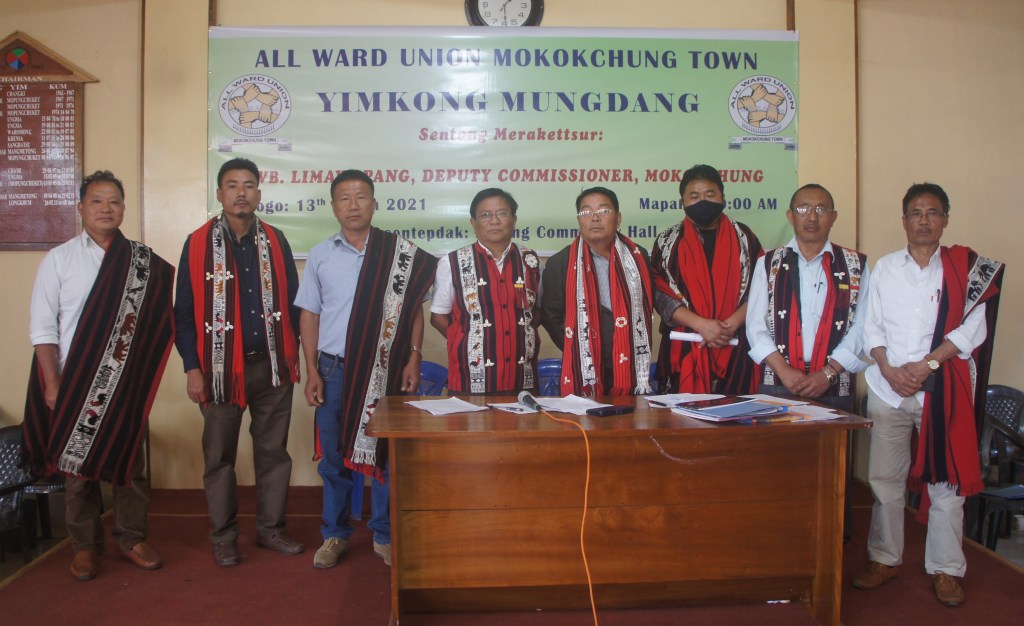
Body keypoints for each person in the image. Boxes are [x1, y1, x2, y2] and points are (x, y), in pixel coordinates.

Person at [852, 183, 1003, 607]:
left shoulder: (964, 269)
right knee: (884, 481)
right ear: (904, 221)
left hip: (943, 392)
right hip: (888, 390)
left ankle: (946, 569)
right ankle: (884, 559)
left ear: (945, 220)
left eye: (932, 212)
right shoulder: (885, 268)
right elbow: (870, 327)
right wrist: (887, 368)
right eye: (916, 213)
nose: (924, 220)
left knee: (946, 483)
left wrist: (928, 365)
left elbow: (973, 328)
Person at [23, 170, 175, 581]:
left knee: (130, 464)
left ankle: (132, 538)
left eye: (114, 201)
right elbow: (43, 328)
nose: (106, 208)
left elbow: (157, 324)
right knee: (77, 468)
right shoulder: (59, 259)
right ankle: (85, 546)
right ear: (81, 208)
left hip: (124, 382)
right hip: (74, 381)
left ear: (123, 208)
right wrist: (52, 383)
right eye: (96, 200)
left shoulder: (142, 263)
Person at [296, 170, 436, 569]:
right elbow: (310, 315)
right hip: (334, 371)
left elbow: (413, 310)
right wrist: (312, 371)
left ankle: (384, 534)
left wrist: (414, 356)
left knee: (386, 456)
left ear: (375, 203)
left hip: (386, 370)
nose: (353, 205)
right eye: (344, 197)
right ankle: (335, 533)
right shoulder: (321, 254)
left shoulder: (399, 254)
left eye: (361, 197)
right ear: (333, 206)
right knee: (333, 458)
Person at [174, 158, 303, 567]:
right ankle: (224, 536)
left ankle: (270, 530)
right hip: (218, 373)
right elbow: (183, 312)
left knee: (273, 453)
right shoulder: (197, 244)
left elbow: (295, 304)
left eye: (249, 185)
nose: (241, 193)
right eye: (232, 185)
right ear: (220, 194)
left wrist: (299, 358)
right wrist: (192, 367)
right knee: (219, 457)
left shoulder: (276, 240)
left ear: (259, 194)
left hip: (272, 366)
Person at [745, 183, 869, 412]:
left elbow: (862, 326)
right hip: (779, 382)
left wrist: (828, 373)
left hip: (834, 384)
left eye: (821, 209)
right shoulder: (769, 263)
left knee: (834, 438)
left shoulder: (855, 265)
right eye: (803, 209)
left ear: (833, 217)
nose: (812, 217)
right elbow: (755, 325)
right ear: (790, 216)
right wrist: (784, 371)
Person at [651, 164, 763, 394]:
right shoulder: (667, 242)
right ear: (682, 202)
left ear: (723, 198)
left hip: (736, 347)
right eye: (694, 197)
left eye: (710, 195)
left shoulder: (745, 238)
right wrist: (701, 325)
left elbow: (762, 288)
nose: (703, 202)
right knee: (682, 415)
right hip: (684, 349)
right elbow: (659, 294)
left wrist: (727, 328)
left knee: (737, 413)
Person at [541, 186, 653, 395]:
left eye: (603, 210)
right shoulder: (560, 263)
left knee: (633, 414)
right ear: (579, 220)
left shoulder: (638, 257)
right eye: (586, 212)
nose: (594, 218)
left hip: (631, 364)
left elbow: (648, 304)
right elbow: (551, 316)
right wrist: (580, 348)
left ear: (618, 218)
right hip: (584, 365)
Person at [429, 188, 541, 393]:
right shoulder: (452, 263)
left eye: (502, 213)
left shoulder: (531, 261)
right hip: (469, 380)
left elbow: (539, 310)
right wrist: (467, 339)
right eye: (485, 215)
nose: (494, 221)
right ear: (473, 222)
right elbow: (438, 317)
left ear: (514, 220)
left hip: (522, 380)